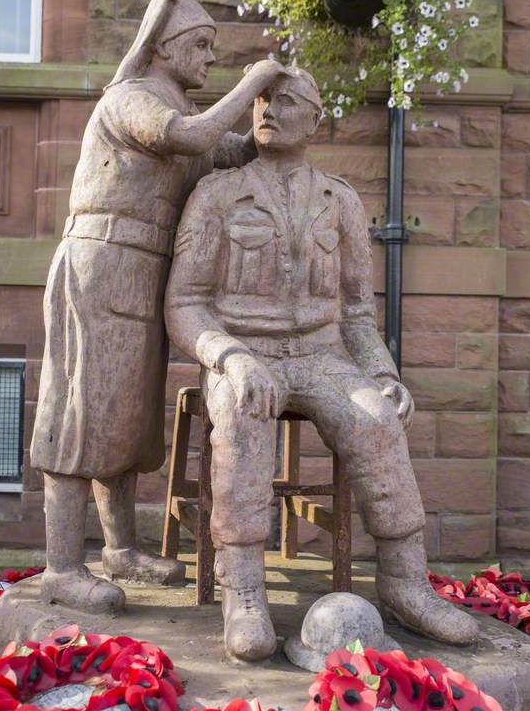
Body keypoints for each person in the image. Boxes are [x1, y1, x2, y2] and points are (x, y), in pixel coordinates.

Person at [165, 67, 479, 661]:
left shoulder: (340, 200)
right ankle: (245, 591)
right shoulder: (217, 194)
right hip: (244, 351)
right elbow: (184, 303)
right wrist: (228, 356)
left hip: (321, 354)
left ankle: (405, 584)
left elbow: (358, 313)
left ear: (316, 119)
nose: (266, 109)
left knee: (378, 422)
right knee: (240, 416)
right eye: (261, 98)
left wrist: (385, 377)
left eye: (285, 101)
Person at [30, 0, 285, 614]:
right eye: (201, 47)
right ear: (165, 47)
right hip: (101, 264)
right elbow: (195, 135)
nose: (209, 60)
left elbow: (224, 150)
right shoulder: (131, 99)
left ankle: (119, 549)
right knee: (81, 415)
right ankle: (62, 567)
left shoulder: (183, 108)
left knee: (126, 419)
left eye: (215, 52)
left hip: (143, 276)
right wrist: (251, 79)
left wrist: (269, 115)